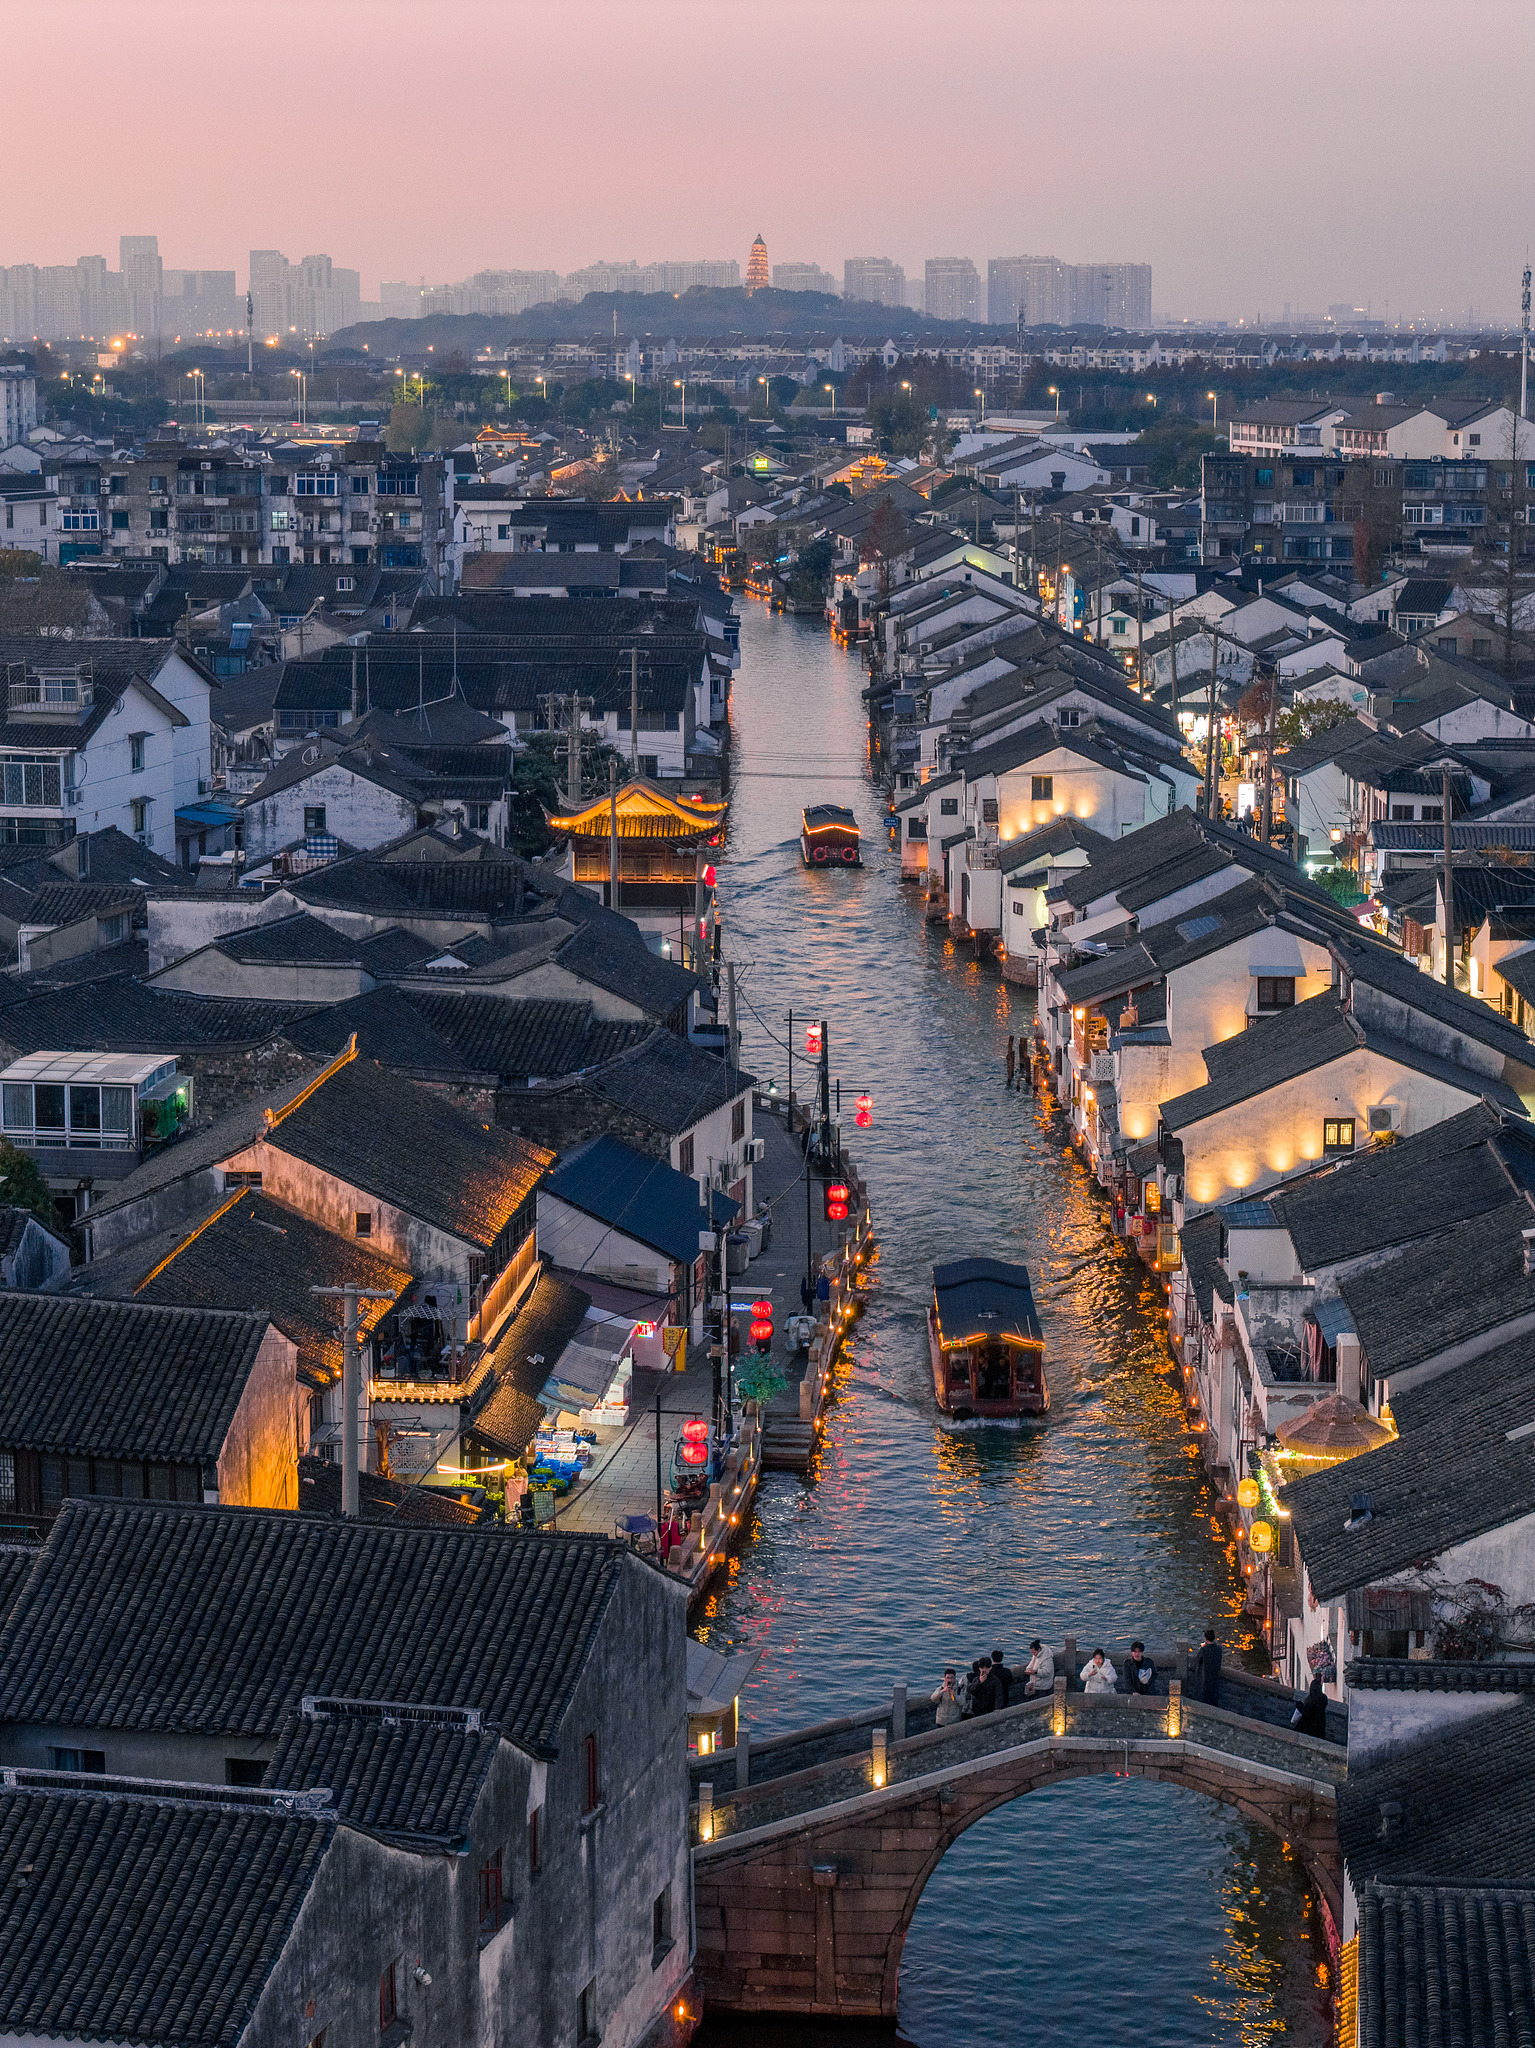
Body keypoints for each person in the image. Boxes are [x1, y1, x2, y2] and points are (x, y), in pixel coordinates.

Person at [1193, 1627, 1222, 1706]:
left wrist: (1202, 1648)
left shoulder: (1204, 1650)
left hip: (1205, 1677)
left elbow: (1197, 1660)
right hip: (1215, 1676)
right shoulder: (1219, 1649)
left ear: (1205, 1638)